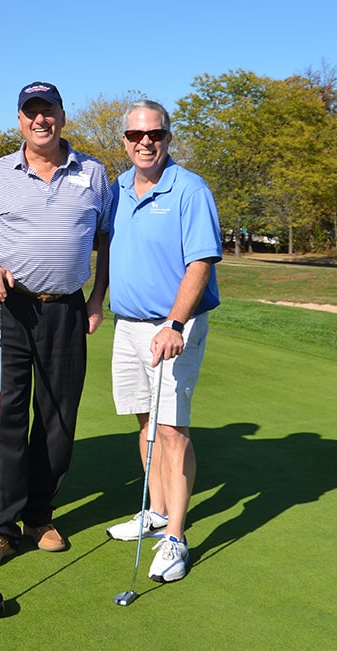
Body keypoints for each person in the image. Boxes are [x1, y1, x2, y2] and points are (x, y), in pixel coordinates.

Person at [0, 81, 112, 571]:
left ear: (63, 116)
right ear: (20, 120)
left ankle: (39, 516)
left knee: (57, 420)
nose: (40, 120)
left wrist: (96, 298)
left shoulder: (93, 172)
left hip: (67, 311)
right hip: (11, 308)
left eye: (48, 112)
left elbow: (106, 240)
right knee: (1, 416)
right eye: (31, 113)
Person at [104, 99, 222, 584]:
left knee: (172, 430)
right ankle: (155, 511)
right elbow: (107, 249)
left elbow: (200, 263)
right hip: (127, 323)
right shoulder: (116, 190)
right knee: (144, 419)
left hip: (173, 326)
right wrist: (98, 299)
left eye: (154, 133)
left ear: (168, 137)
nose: (145, 142)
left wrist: (174, 323)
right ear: (125, 141)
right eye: (135, 135)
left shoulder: (190, 190)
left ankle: (175, 535)